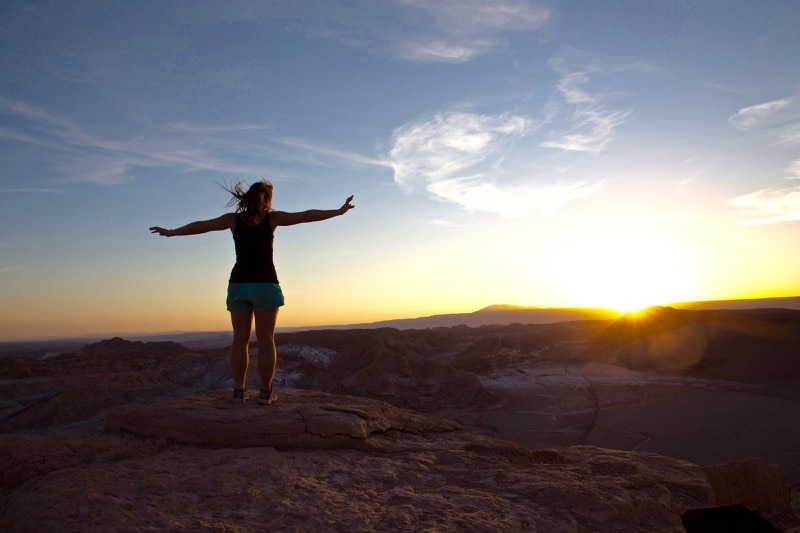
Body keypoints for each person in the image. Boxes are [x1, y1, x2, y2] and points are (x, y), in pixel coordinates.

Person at [150, 179, 354, 404]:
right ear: (266, 198)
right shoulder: (272, 219)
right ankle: (266, 392)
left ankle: (239, 391)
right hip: (265, 285)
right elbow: (305, 215)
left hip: (238, 285)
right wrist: (337, 212)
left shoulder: (233, 220)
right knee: (266, 339)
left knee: (240, 340)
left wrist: (172, 232)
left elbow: (203, 225)